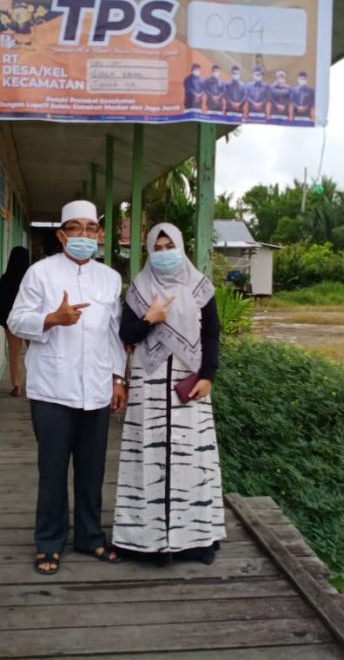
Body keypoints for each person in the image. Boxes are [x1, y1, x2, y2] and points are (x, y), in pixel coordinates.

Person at [7, 200, 127, 575]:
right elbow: (15, 320)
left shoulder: (110, 278)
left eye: (90, 229)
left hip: (97, 387)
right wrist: (51, 319)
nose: (84, 235)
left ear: (99, 235)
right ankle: (49, 541)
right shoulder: (39, 274)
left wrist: (118, 378)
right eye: (75, 228)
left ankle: (90, 536)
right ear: (61, 235)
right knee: (53, 471)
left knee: (92, 470)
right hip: (51, 389)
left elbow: (114, 334)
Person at [112, 223, 225, 565]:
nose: (164, 253)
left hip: (188, 383)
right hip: (148, 381)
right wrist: (150, 318)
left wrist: (208, 375)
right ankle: (143, 540)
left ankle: (196, 540)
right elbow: (126, 334)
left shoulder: (199, 286)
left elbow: (212, 334)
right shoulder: (139, 289)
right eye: (157, 248)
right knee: (147, 456)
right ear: (149, 251)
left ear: (180, 247)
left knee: (192, 457)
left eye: (169, 246)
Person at [0, 246, 30, 396]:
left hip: (11, 322)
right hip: (30, 321)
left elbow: (0, 303)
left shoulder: (5, 279)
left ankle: (17, 385)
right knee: (34, 354)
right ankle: (35, 384)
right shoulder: (30, 279)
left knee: (14, 354)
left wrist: (4, 321)